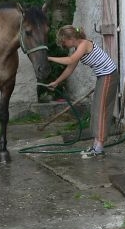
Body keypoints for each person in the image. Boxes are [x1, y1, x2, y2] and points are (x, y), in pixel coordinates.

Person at [45, 25, 118, 157]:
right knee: (96, 109)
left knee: (101, 110)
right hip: (103, 76)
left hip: (109, 75)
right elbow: (70, 68)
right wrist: (56, 82)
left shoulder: (84, 44)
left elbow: (70, 60)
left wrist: (49, 58)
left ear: (71, 38)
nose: (63, 45)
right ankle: (96, 144)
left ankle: (99, 148)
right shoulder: (77, 49)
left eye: (63, 42)